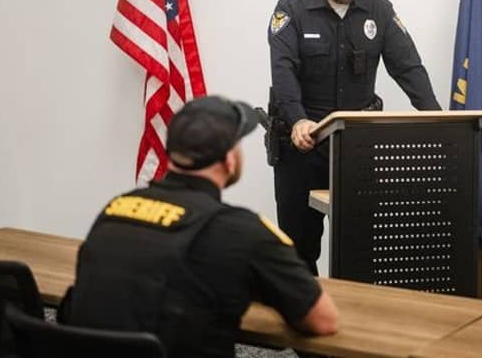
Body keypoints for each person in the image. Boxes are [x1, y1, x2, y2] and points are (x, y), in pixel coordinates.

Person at [65, 95, 339, 358]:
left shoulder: (115, 210)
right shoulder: (242, 232)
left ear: (172, 153)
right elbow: (323, 320)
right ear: (229, 160)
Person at [267, 0, 441, 274]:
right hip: (304, 143)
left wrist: (437, 117)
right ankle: (307, 318)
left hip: (356, 146)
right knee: (299, 250)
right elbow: (283, 70)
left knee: (362, 246)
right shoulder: (292, 9)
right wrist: (298, 119)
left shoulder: (378, 10)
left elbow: (408, 69)